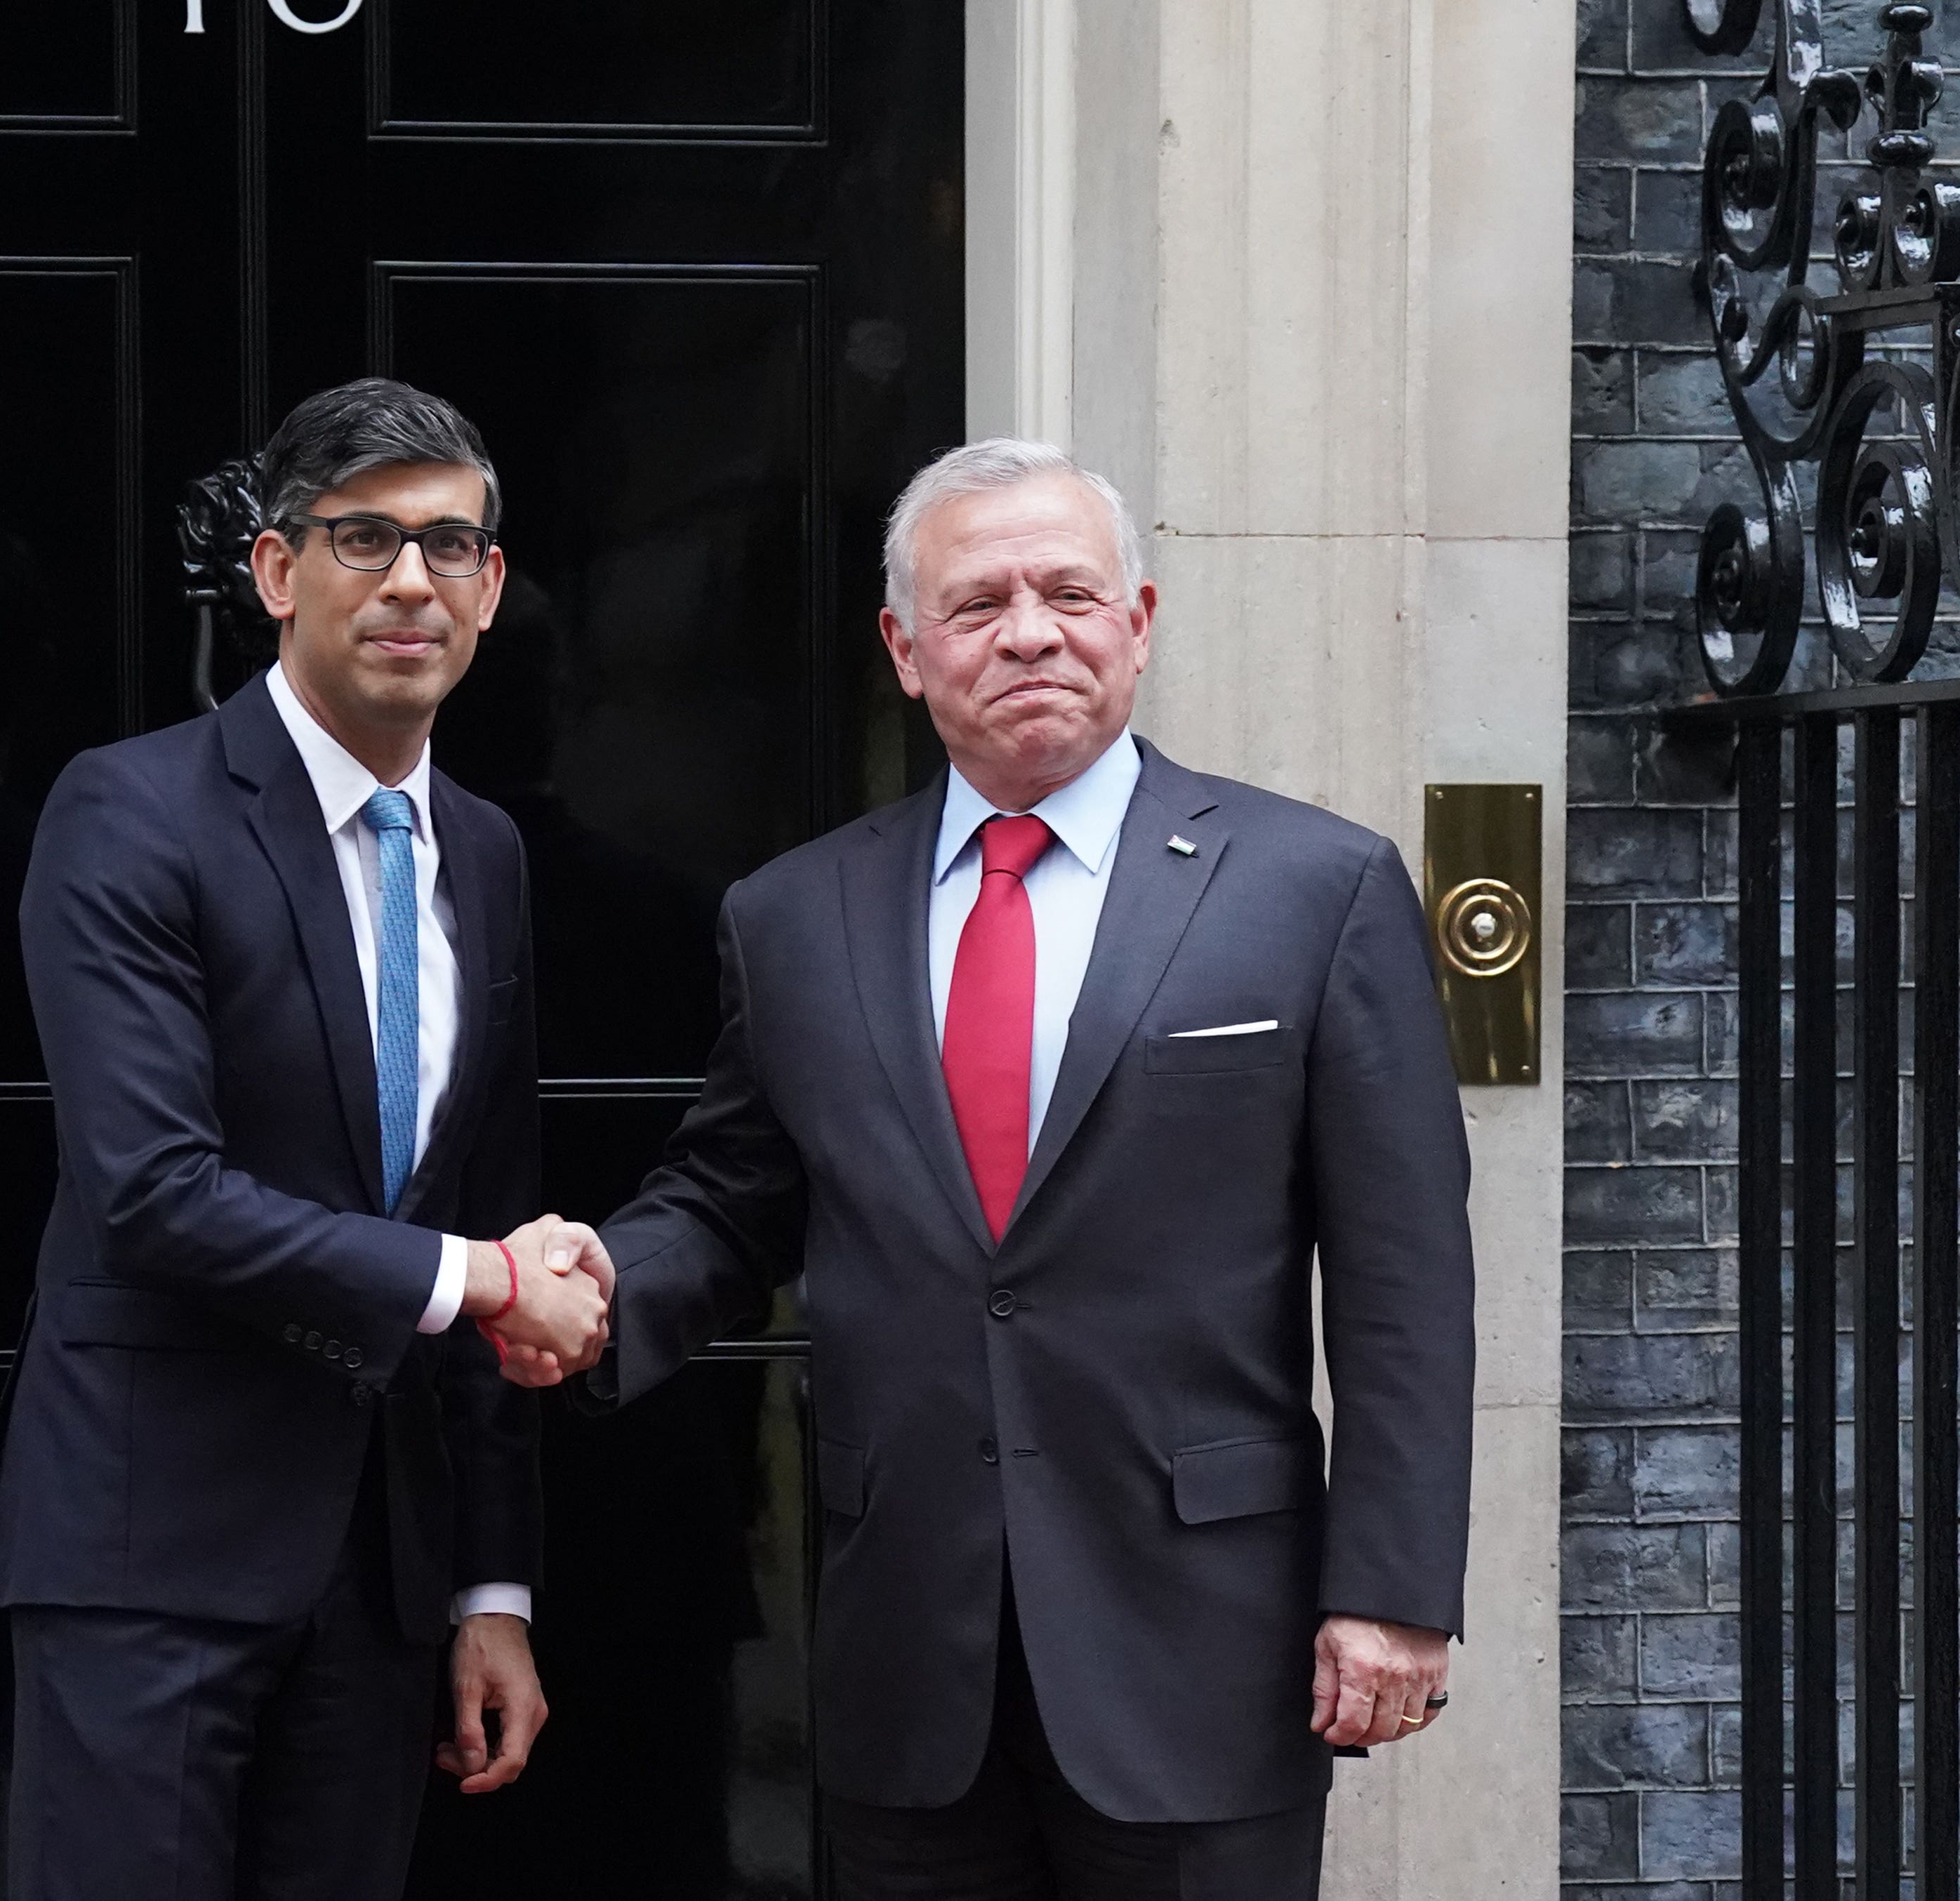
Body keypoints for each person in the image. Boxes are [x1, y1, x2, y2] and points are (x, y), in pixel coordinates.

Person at [519, 438, 1476, 1898]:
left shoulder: (1316, 888)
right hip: (913, 1643)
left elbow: (1406, 1273)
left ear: (1138, 622)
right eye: (978, 604)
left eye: (1069, 593)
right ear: (907, 650)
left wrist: (1392, 1592)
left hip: (1203, 1640)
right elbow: (729, 1198)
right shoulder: (794, 915)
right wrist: (594, 1286)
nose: (1029, 630)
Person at [0, 378, 613, 1901]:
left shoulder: (492, 856)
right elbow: (152, 1193)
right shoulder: (129, 812)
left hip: (383, 1575)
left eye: (451, 546)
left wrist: (492, 1586)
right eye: (364, 539)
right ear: (275, 572)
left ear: (493, 586)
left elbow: (491, 1199)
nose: (410, 582)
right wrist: (484, 1278)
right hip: (150, 1547)